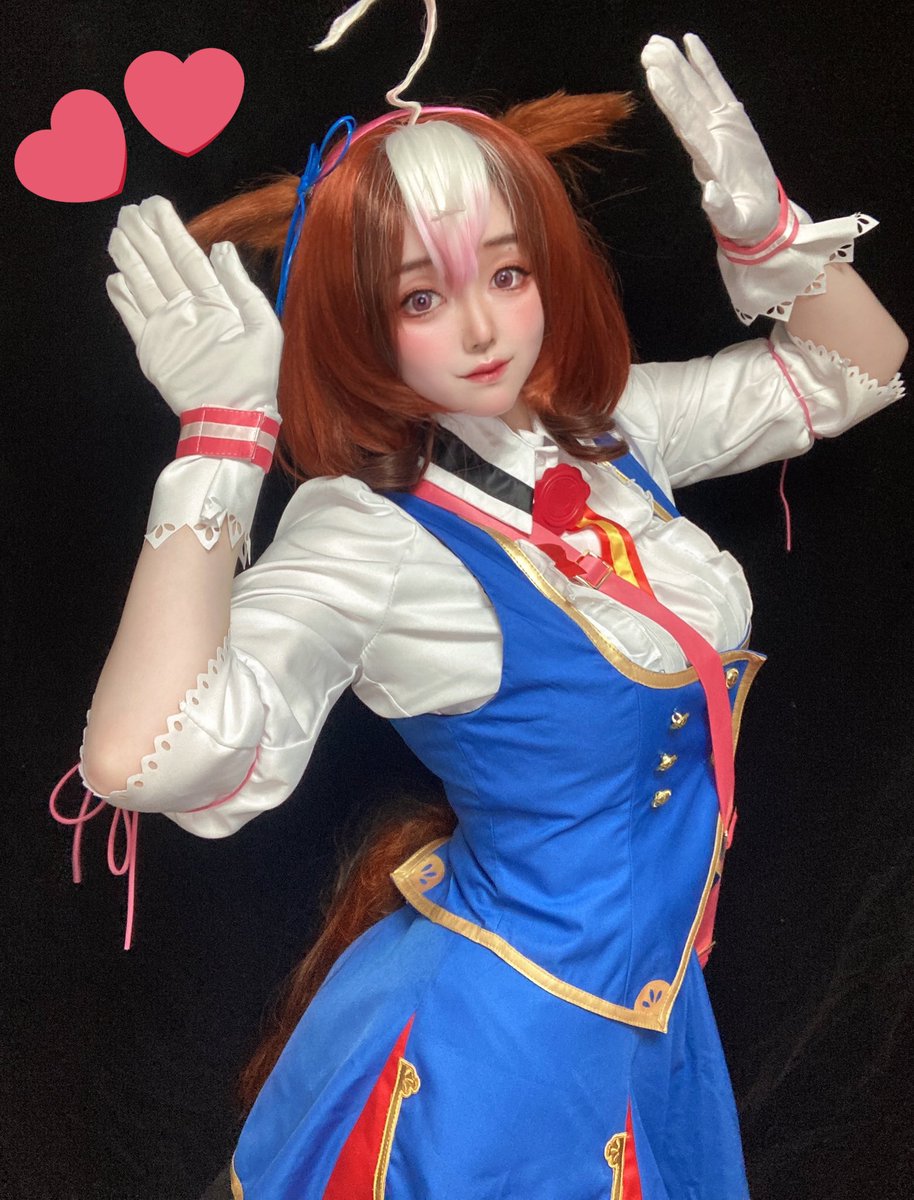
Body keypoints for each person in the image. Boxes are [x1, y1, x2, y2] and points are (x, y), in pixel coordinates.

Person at [70, 29, 905, 1200]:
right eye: (422, 295)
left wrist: (765, 232)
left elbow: (855, 369)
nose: (481, 331)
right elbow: (137, 759)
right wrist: (223, 433)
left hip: (645, 1018)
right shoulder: (367, 536)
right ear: (359, 319)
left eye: (506, 276)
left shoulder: (605, 432)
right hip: (489, 1063)